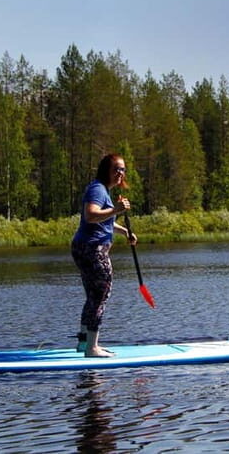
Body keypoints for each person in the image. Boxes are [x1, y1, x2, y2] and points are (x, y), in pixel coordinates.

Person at [71, 153, 137, 357]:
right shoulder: (98, 189)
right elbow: (91, 215)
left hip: (84, 248)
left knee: (92, 296)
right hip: (93, 250)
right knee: (100, 295)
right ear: (105, 170)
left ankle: (84, 343)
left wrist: (124, 231)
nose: (120, 173)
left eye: (123, 169)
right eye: (116, 169)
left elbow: (104, 221)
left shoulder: (101, 190)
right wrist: (116, 208)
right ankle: (92, 348)